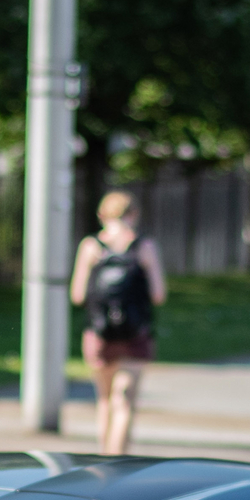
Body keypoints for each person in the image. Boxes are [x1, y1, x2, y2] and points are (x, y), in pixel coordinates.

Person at [71, 190, 169, 454]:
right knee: (124, 402)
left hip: (99, 333)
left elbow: (77, 294)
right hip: (135, 334)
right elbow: (158, 295)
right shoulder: (144, 246)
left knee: (104, 401)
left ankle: (104, 458)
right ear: (134, 214)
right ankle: (119, 460)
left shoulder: (91, 246)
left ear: (102, 215)